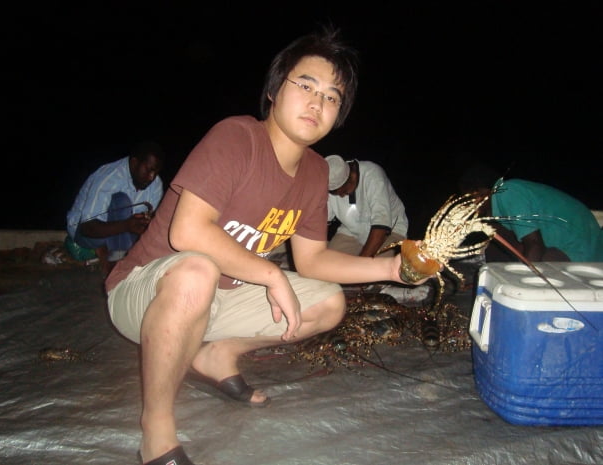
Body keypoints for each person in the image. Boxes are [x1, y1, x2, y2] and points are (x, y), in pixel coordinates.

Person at [104, 27, 435, 465]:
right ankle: (156, 430)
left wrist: (394, 269)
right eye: (306, 85)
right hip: (145, 292)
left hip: (220, 297)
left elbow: (313, 260)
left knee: (329, 303)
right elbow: (187, 232)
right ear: (275, 90)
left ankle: (217, 353)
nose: (318, 102)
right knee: (196, 270)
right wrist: (269, 272)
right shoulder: (237, 138)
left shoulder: (316, 172)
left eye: (333, 97)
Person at [458, 163, 603, 262]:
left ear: (479, 193)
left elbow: (535, 244)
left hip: (584, 253)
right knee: (496, 233)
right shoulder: (507, 195)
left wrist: (521, 280)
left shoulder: (507, 192)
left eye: (469, 198)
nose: (469, 205)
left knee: (542, 262)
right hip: (576, 242)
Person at [66, 140, 165, 276]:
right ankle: (115, 262)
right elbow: (87, 227)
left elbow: (144, 226)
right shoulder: (109, 177)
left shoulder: (156, 185)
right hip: (85, 230)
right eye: (148, 170)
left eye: (156, 171)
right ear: (134, 163)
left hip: (121, 233)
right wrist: (127, 225)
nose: (151, 177)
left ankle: (111, 253)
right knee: (121, 200)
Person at [326, 154, 408, 257]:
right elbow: (320, 223)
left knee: (375, 269)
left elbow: (381, 224)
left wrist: (362, 262)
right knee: (329, 260)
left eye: (344, 191)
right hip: (352, 230)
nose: (341, 195)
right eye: (335, 193)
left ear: (352, 176)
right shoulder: (329, 183)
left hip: (390, 230)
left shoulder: (373, 176)